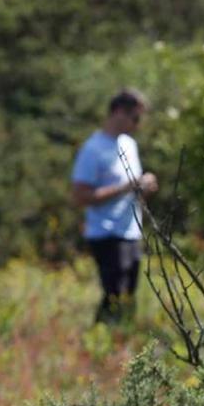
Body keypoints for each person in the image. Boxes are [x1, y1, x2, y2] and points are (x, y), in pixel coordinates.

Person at [71, 89, 158, 323]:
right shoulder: (93, 149)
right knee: (114, 295)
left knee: (128, 295)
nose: (138, 125)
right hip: (106, 232)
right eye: (135, 118)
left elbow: (134, 191)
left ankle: (121, 345)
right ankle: (99, 343)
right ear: (119, 112)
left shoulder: (129, 145)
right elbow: (80, 196)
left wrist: (144, 188)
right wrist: (125, 187)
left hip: (130, 230)